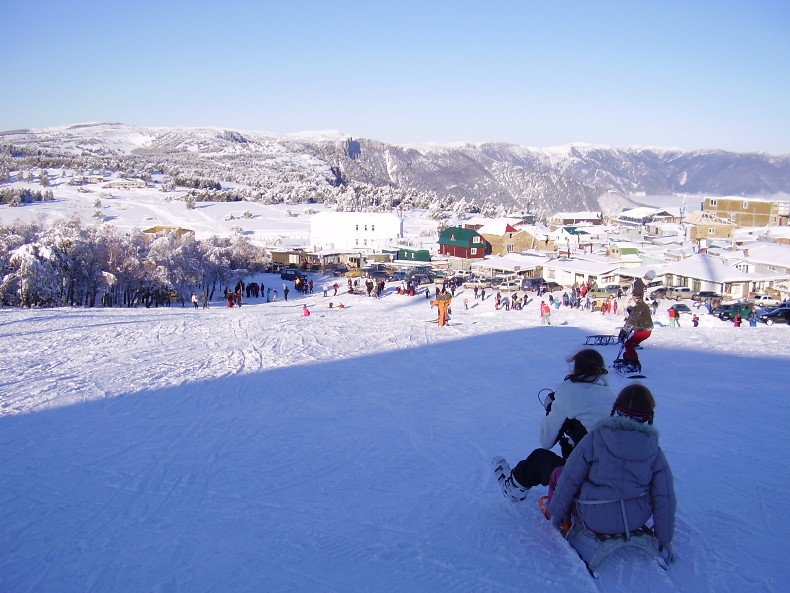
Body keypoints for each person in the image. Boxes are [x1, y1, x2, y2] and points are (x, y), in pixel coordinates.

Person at [543, 384, 676, 568]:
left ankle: (559, 515)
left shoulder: (595, 439)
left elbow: (569, 480)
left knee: (559, 473)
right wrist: (664, 537)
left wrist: (556, 516)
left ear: (616, 410)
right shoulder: (654, 451)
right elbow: (665, 497)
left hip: (595, 517)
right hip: (636, 518)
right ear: (648, 416)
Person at [492, 349, 615, 501]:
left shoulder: (569, 392)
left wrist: (553, 409)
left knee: (538, 460)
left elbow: (546, 441)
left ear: (575, 369)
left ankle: (512, 489)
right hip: (613, 476)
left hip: (589, 481)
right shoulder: (611, 396)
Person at [615, 295, 653, 373]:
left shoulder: (638, 307)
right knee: (629, 345)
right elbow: (635, 321)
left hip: (643, 330)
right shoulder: (642, 305)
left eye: (633, 296)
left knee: (629, 344)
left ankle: (634, 363)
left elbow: (631, 321)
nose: (632, 298)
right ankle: (628, 359)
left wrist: (624, 332)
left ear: (636, 297)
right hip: (644, 330)